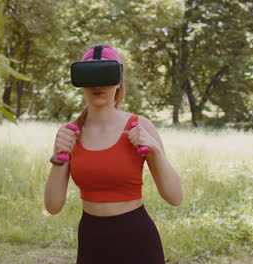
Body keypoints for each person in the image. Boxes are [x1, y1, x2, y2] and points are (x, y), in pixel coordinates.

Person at [44, 45, 183, 264]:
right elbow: (53, 207)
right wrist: (57, 157)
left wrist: (154, 150)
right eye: (90, 76)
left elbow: (175, 197)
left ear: (119, 81)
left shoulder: (140, 126)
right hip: (91, 242)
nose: (97, 85)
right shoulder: (71, 133)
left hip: (137, 242)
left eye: (105, 75)